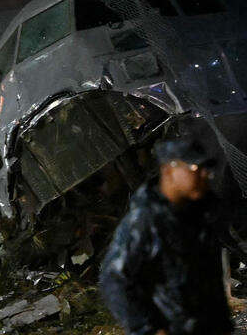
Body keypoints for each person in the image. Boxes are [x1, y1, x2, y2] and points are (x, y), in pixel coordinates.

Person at [99, 135, 233, 335]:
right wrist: (149, 328)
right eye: (195, 169)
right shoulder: (146, 220)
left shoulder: (203, 214)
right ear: (169, 171)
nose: (206, 176)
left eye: (207, 169)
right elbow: (114, 279)